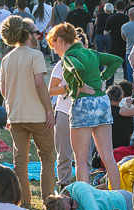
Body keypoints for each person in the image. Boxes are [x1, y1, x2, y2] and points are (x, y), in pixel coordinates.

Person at [46, 22, 123, 191]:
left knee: (80, 160)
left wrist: (76, 86)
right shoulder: (91, 53)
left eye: (53, 45)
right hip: (102, 101)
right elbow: (117, 60)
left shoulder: (67, 57)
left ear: (59, 40)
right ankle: (118, 198)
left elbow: (77, 68)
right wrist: (104, 76)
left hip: (83, 104)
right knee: (108, 157)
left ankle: (86, 200)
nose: (54, 51)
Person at [0, 15, 54, 208]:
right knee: (47, 158)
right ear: (28, 35)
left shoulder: (6, 59)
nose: (39, 36)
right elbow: (39, 84)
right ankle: (49, 201)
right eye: (36, 33)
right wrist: (49, 109)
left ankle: (25, 203)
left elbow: (3, 91)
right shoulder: (35, 55)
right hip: (38, 116)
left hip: (16, 117)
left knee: (20, 163)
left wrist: (10, 111)